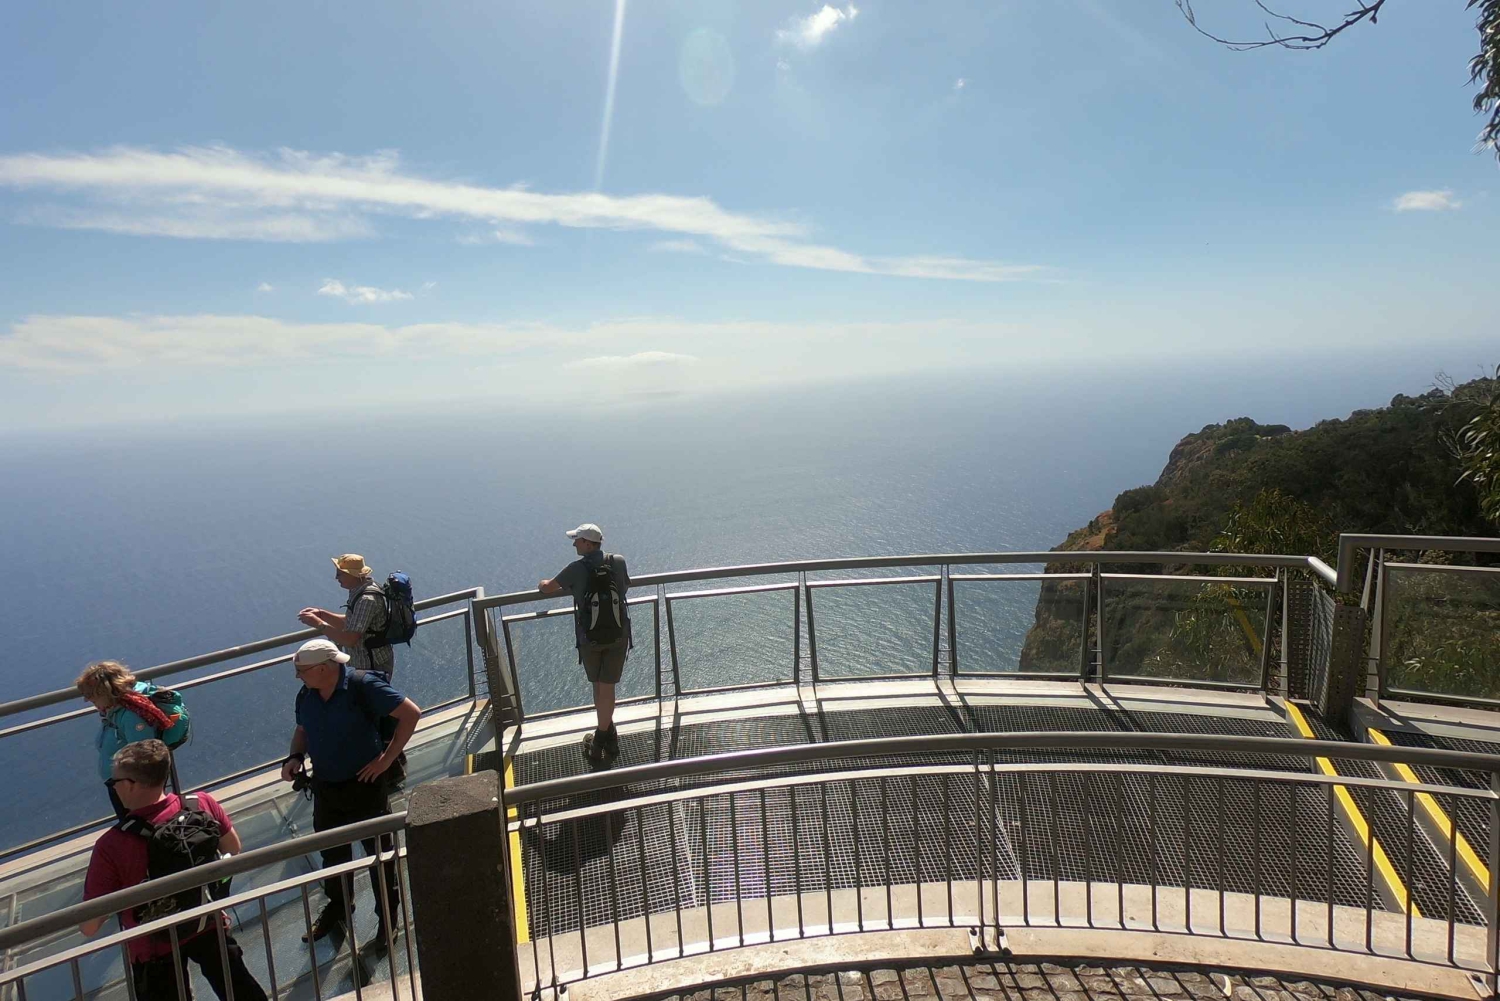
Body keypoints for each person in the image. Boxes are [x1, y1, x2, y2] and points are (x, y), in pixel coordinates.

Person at [79, 740, 268, 1001]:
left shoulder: (111, 846)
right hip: (206, 920)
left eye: (114, 783)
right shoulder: (200, 804)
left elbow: (89, 926)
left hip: (152, 947)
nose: (113, 788)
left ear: (131, 784)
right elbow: (233, 847)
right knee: (240, 989)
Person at [281, 638, 420, 954]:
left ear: (323, 668)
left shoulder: (363, 685)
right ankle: (339, 906)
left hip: (365, 787)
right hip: (327, 789)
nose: (297, 676)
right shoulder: (307, 694)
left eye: (301, 670)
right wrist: (294, 758)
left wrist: (385, 760)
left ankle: (388, 920)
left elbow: (411, 714)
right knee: (333, 856)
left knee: (379, 857)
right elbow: (302, 730)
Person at [539, 523, 630, 762]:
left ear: (588, 544)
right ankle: (608, 734)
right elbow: (624, 587)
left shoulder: (576, 569)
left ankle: (601, 737)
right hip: (619, 634)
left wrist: (541, 583)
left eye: (577, 540)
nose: (574, 544)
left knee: (598, 685)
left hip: (590, 638)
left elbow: (548, 588)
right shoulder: (618, 561)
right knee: (608, 685)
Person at [76, 661, 184, 817]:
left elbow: (142, 759)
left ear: (105, 692)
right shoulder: (117, 709)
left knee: (138, 831)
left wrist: (134, 793)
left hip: (132, 788)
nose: (88, 700)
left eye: (92, 696)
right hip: (123, 783)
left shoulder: (132, 716)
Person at [298, 553, 396, 679]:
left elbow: (349, 640)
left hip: (372, 665)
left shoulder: (366, 600)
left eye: (340, 574)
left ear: (352, 574)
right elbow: (353, 622)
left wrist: (319, 624)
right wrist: (322, 614)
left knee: (370, 698)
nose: (336, 577)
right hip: (368, 662)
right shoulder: (362, 588)